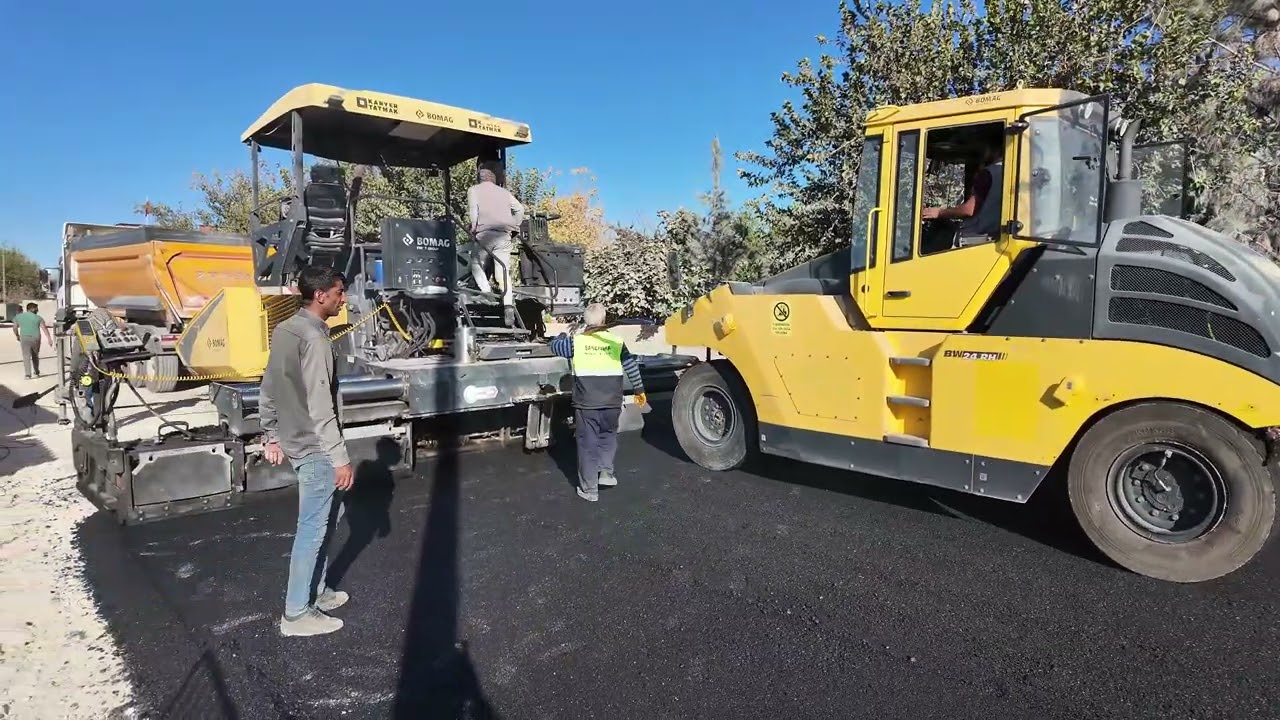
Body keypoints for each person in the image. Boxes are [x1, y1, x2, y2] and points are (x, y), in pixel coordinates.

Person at [258, 265, 354, 637]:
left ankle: (318, 591)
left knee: (328, 516)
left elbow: (268, 385)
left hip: (296, 439)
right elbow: (320, 405)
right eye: (339, 292)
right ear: (321, 296)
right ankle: (296, 614)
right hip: (315, 445)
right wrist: (340, 458)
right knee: (313, 528)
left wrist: (270, 434)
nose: (342, 298)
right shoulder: (314, 339)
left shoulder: (285, 329)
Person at [548, 303, 647, 502]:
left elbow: (554, 347)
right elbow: (631, 366)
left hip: (587, 403)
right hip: (612, 402)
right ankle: (606, 473)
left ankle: (589, 489)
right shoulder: (616, 341)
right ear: (603, 320)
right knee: (608, 436)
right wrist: (639, 390)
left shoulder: (577, 342)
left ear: (586, 320)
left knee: (587, 444)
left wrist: (558, 337)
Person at [467, 166, 525, 326]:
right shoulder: (504, 193)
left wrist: (473, 227)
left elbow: (474, 210)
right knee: (503, 272)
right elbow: (520, 209)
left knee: (476, 264)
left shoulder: (474, 190)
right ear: (493, 179)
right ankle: (508, 307)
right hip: (503, 235)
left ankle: (486, 293)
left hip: (485, 234)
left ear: (480, 178)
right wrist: (514, 226)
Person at [922, 141, 1003, 237]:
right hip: (993, 236)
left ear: (994, 150)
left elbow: (969, 210)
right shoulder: (1008, 172)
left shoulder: (988, 173)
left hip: (974, 236)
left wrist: (939, 212)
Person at [12, 302, 52, 379]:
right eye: (36, 308)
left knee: (26, 356)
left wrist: (17, 335)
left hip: (24, 337)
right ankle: (36, 372)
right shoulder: (39, 318)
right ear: (32, 309)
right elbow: (44, 329)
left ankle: (28, 375)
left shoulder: (18, 317)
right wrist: (49, 339)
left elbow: (15, 327)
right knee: (35, 355)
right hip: (36, 338)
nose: (38, 310)